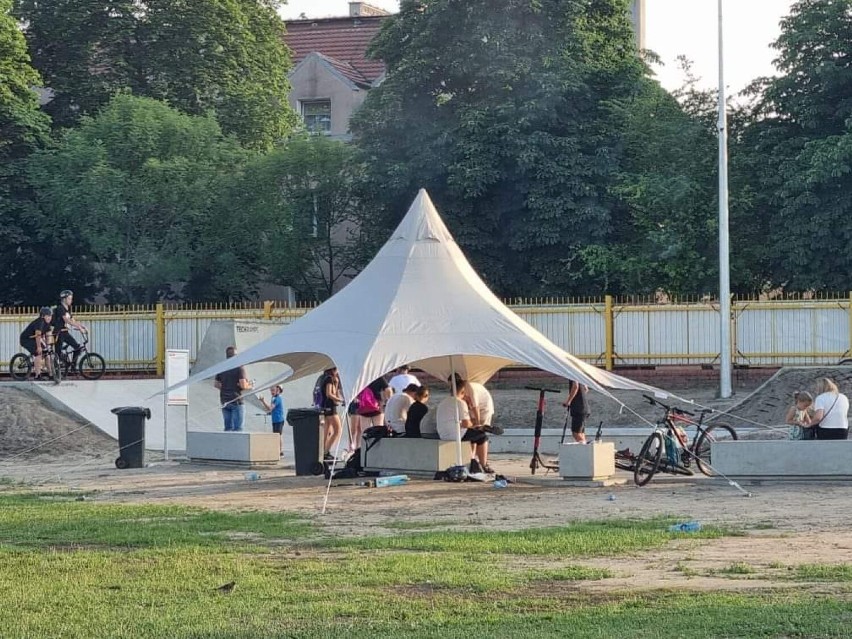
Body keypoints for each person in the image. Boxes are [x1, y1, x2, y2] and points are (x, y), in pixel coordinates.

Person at [436, 381, 492, 473]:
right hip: (455, 435)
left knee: (473, 436)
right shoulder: (460, 402)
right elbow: (466, 424)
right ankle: (484, 464)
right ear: (463, 391)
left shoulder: (443, 402)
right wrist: (474, 424)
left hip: (442, 434)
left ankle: (472, 460)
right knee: (482, 436)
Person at [213, 346, 252, 432]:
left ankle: (227, 445)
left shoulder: (222, 367)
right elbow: (243, 385)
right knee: (238, 429)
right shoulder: (239, 367)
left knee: (228, 428)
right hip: (236, 400)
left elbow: (216, 384)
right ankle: (237, 445)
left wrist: (226, 387)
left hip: (224, 401)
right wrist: (250, 385)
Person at [52, 289, 87, 373]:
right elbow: (67, 320)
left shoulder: (68, 309)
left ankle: (73, 367)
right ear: (64, 299)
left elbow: (72, 320)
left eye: (71, 298)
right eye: (69, 298)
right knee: (58, 353)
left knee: (78, 348)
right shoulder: (60, 308)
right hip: (59, 333)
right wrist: (79, 327)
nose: (71, 300)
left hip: (65, 332)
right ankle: (60, 366)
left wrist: (82, 326)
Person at [19, 307, 53, 379]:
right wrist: (39, 347)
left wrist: (48, 346)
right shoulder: (40, 322)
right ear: (43, 316)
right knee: (38, 354)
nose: (50, 317)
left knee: (47, 354)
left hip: (34, 339)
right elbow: (38, 335)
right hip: (26, 339)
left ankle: (50, 374)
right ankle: (37, 375)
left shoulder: (48, 324)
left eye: (51, 316)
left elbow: (48, 336)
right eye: (48, 316)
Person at [319, 367, 344, 459]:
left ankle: (322, 451)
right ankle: (326, 451)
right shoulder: (329, 379)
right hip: (330, 407)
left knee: (327, 430)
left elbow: (334, 392)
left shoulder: (326, 378)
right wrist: (341, 400)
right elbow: (329, 394)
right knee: (338, 430)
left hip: (326, 406)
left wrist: (337, 382)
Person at [259, 385, 286, 456]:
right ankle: (277, 450)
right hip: (275, 420)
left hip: (279, 420)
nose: (272, 392)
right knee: (276, 435)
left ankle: (280, 452)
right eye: (271, 390)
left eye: (273, 390)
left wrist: (263, 401)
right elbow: (272, 410)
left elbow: (270, 408)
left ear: (278, 390)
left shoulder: (278, 399)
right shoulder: (273, 398)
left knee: (278, 435)